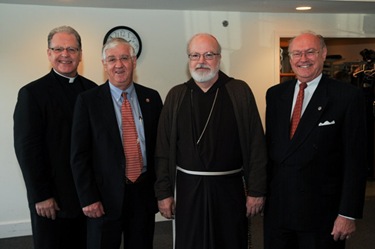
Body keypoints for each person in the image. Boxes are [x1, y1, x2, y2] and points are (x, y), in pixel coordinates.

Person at [154, 33, 267, 249]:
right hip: (187, 190)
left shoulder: (239, 91)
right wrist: (164, 193)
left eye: (208, 55)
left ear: (219, 58)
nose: (201, 61)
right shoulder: (176, 95)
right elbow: (163, 149)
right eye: (195, 55)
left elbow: (256, 145)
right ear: (188, 60)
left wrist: (257, 190)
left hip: (230, 188)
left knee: (230, 241)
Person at [264, 31, 368, 249]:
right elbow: (271, 151)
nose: (303, 59)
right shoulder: (275, 95)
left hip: (322, 215)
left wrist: (347, 213)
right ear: (289, 58)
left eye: (310, 52)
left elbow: (355, 161)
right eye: (297, 53)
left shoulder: (348, 97)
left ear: (323, 54)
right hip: (279, 212)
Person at [70, 37, 163, 249]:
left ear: (134, 62)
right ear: (104, 64)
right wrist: (88, 198)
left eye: (124, 58)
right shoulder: (88, 101)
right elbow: (79, 155)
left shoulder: (152, 98)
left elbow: (161, 149)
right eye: (111, 59)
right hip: (103, 198)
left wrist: (162, 191)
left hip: (142, 194)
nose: (118, 64)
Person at [13, 25, 97, 249]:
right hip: (52, 198)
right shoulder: (32, 93)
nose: (65, 55)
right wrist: (40, 194)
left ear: (80, 54)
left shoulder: (93, 91)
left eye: (72, 49)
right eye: (58, 48)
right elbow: (27, 148)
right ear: (49, 53)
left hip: (86, 195)